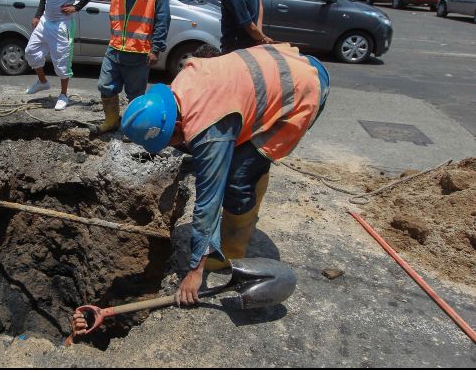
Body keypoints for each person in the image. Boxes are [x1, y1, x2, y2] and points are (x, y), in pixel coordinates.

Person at [67, 42, 329, 344]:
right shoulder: (180, 86)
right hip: (282, 68)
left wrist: (196, 270)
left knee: (238, 178)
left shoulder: (209, 130)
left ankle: (232, 250)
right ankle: (248, 189)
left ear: (176, 123)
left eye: (171, 139)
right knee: (240, 162)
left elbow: (208, 199)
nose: (174, 144)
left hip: (302, 90)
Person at [96, 0, 170, 134]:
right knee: (105, 86)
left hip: (139, 51)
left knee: (135, 95)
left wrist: (156, 48)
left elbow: (162, 19)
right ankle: (112, 121)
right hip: (115, 47)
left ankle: (132, 128)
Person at [24, 0, 98, 111]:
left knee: (62, 62)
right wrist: (38, 15)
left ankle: (64, 95)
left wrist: (76, 7)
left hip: (62, 24)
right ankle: (42, 81)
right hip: (45, 20)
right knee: (30, 52)